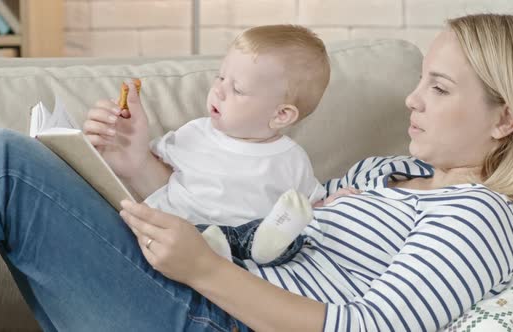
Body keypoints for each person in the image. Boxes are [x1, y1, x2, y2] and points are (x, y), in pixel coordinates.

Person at [0, 13, 513, 331]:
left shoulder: (478, 214)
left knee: (5, 167)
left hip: (217, 315)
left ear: (506, 121)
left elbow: (371, 329)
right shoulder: (385, 172)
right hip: (192, 287)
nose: (411, 100)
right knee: (16, 159)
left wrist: (203, 270)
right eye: (420, 79)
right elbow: (258, 231)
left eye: (439, 88)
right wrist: (137, 165)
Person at [84, 24, 350, 264]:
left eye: (238, 89)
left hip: (244, 255)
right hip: (177, 234)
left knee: (281, 237)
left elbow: (306, 207)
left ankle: (242, 251)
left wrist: (332, 204)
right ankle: (214, 249)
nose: (219, 91)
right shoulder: (195, 133)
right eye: (220, 77)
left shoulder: (291, 159)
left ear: (281, 115)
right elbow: (146, 160)